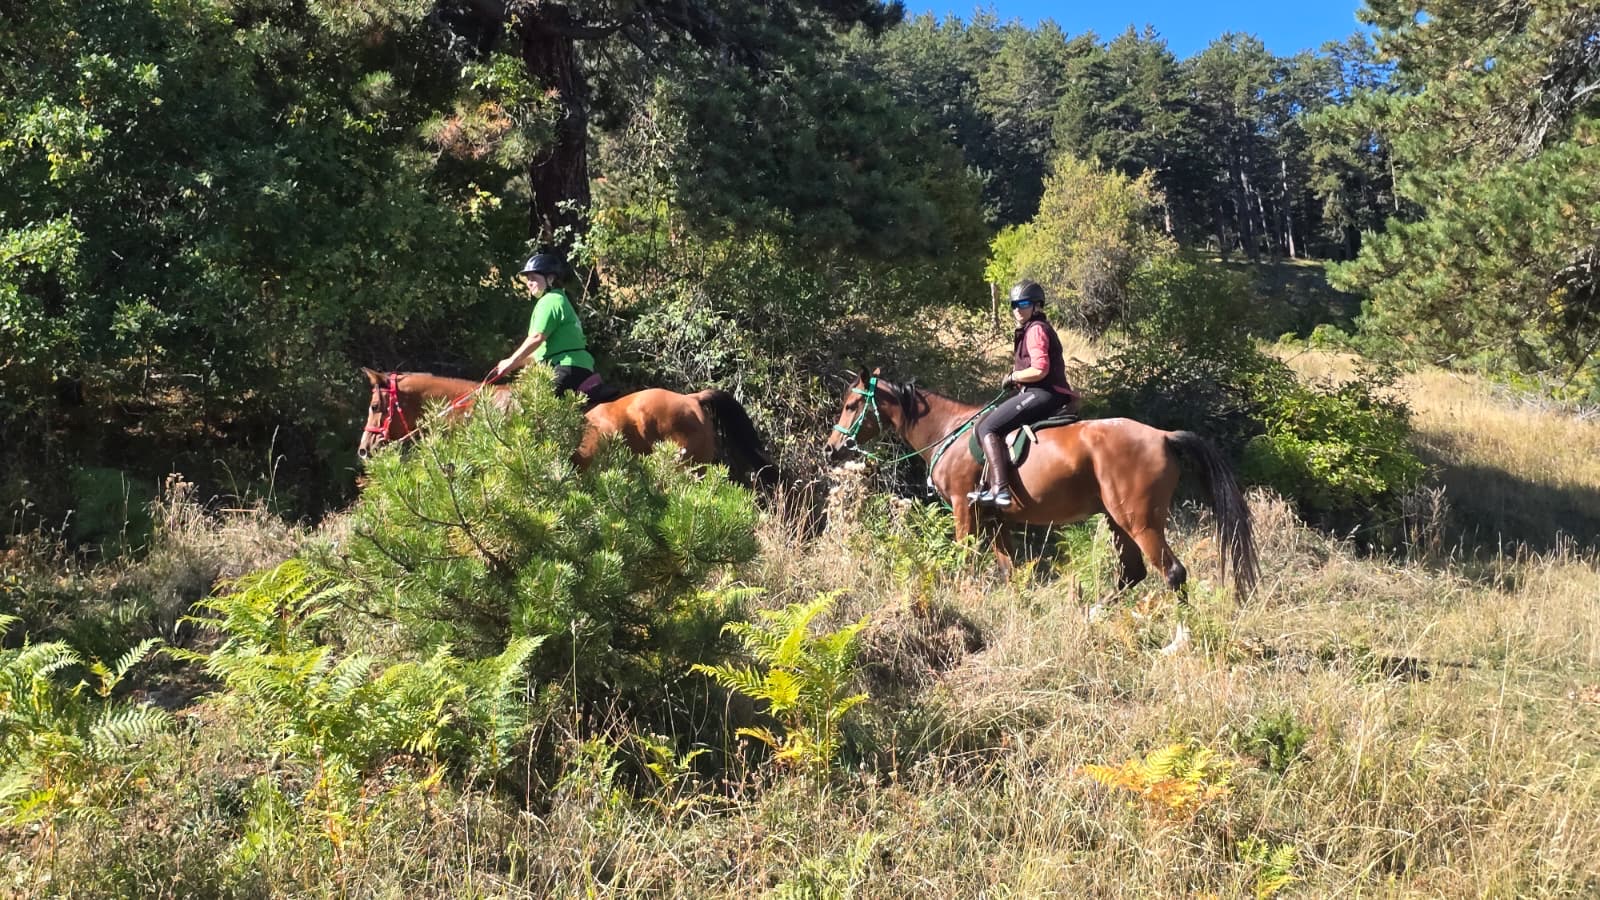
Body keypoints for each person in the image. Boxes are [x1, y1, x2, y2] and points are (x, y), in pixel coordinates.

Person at [968, 281, 1081, 508]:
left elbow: (1040, 369)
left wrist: (1014, 377)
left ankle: (1000, 489)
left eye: (1024, 303)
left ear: (1037, 306)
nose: (1017, 309)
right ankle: (988, 485)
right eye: (1013, 305)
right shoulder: (1031, 328)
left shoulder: (1036, 330)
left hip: (1044, 392)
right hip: (1042, 392)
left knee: (986, 427)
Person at [492, 253, 601, 397]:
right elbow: (537, 352)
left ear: (550, 278)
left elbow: (536, 337)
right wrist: (510, 366)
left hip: (565, 367)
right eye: (527, 279)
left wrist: (511, 361)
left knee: (529, 407)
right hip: (579, 367)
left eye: (533, 278)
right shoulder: (560, 299)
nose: (528, 283)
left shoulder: (550, 300)